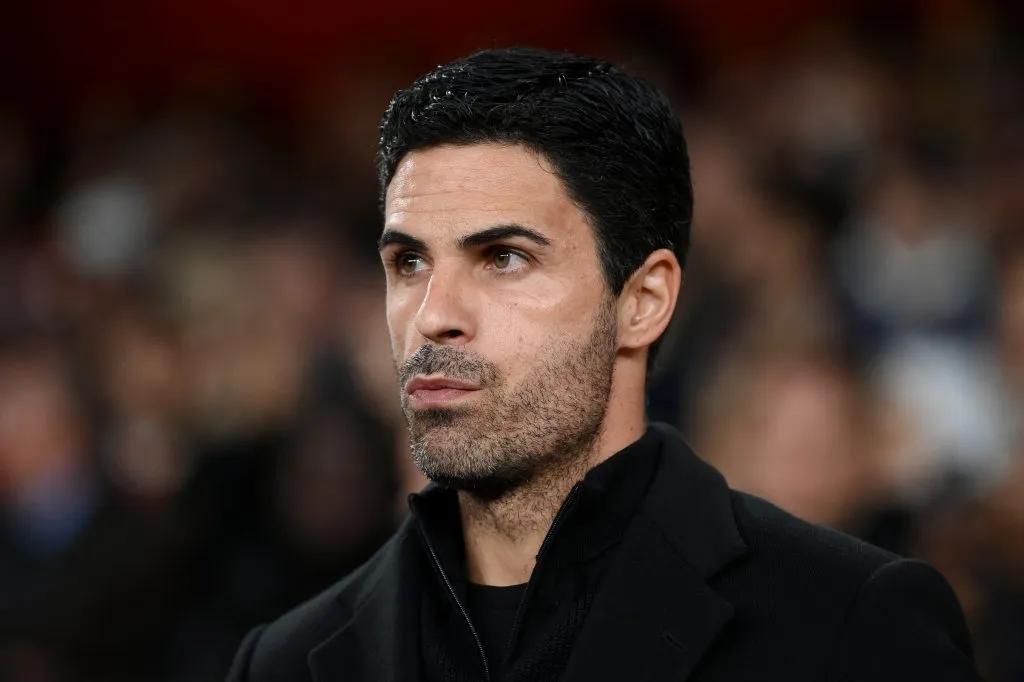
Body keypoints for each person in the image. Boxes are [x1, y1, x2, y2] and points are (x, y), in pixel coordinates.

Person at [226, 47, 979, 682]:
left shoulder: (851, 625)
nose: (432, 313)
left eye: (504, 258)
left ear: (644, 301)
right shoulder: (288, 662)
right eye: (409, 261)